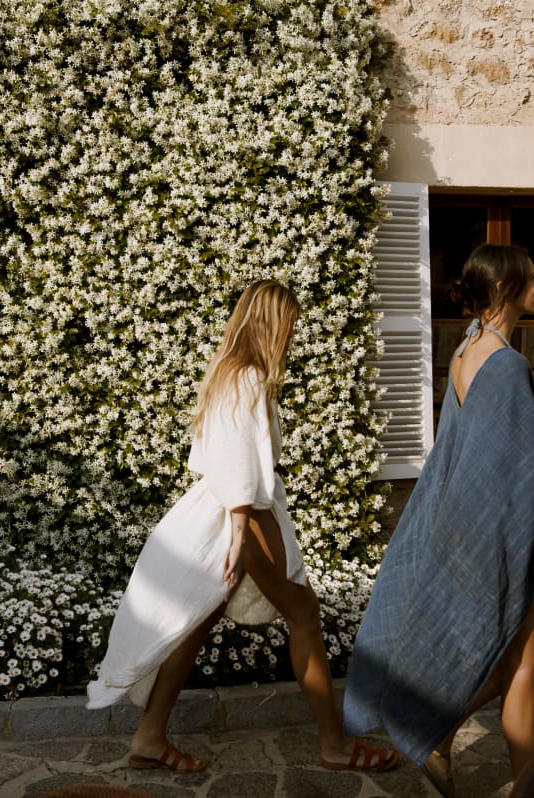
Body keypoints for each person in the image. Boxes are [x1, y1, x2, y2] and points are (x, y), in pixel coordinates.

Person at [87, 279, 399, 774]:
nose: (292, 336)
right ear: (271, 323)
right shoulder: (247, 376)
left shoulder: (227, 372)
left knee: (198, 620)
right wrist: (237, 535)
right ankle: (334, 745)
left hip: (236, 511)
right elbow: (235, 465)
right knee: (304, 616)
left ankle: (148, 737)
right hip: (245, 515)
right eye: (289, 325)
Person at [343, 243, 534, 797]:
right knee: (522, 661)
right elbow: (514, 470)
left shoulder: (467, 348)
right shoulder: (507, 364)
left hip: (467, 526)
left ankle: (437, 739)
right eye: (529, 276)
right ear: (504, 288)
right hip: (501, 533)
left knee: (510, 662)